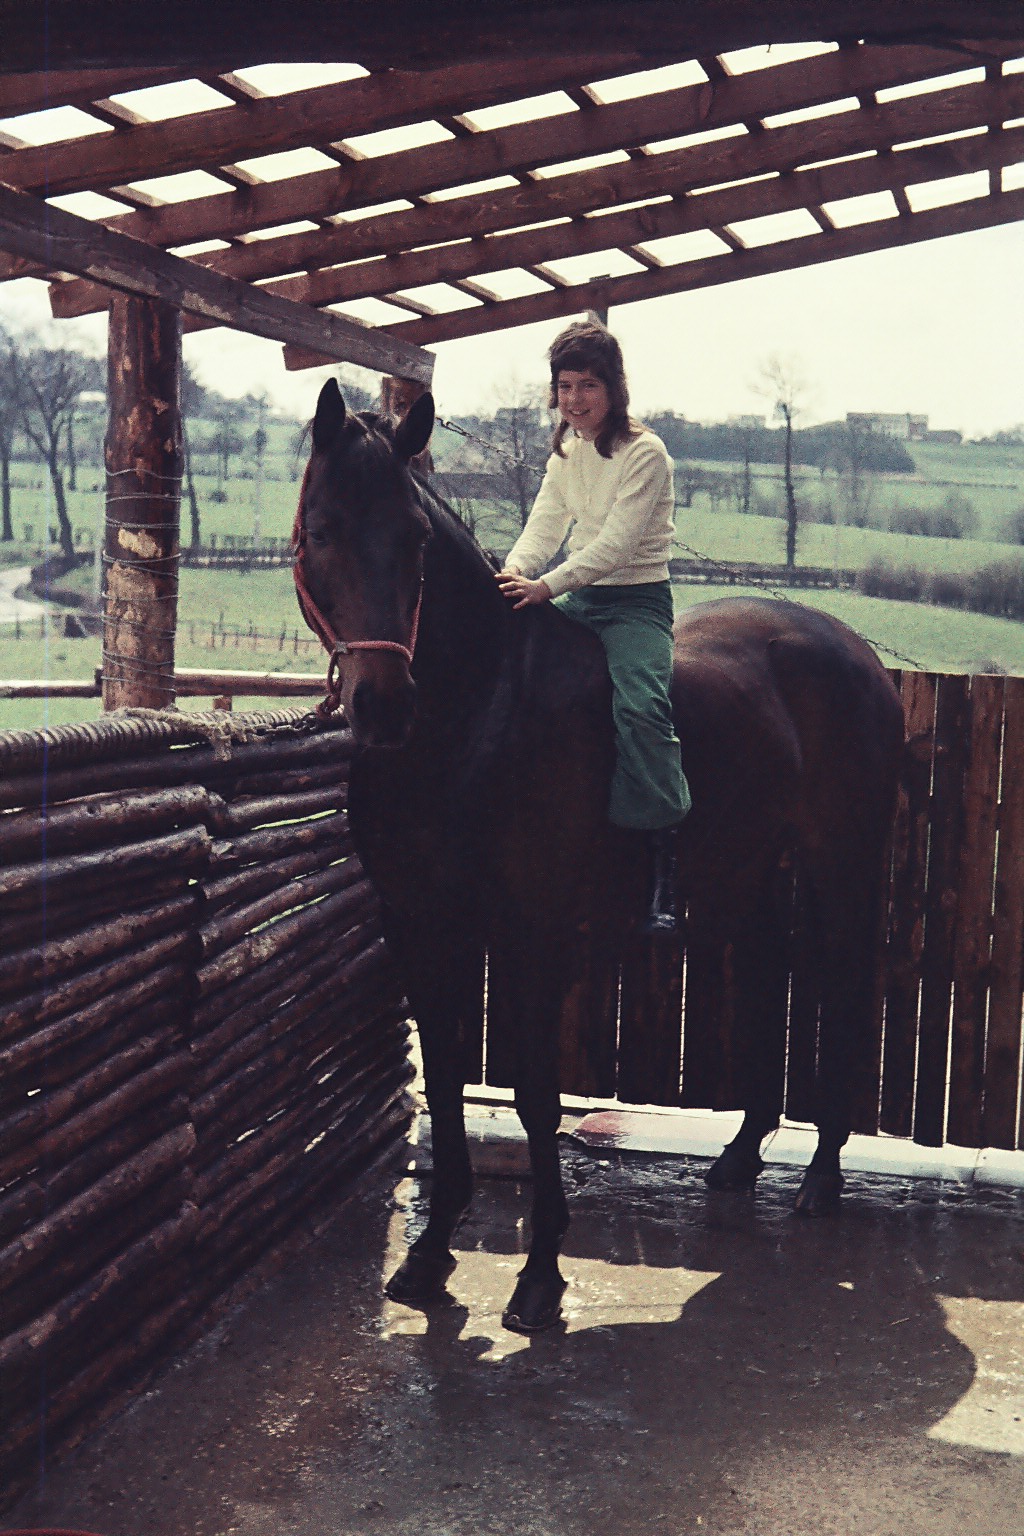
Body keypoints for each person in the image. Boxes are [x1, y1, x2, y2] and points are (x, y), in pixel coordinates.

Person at [496, 319, 691, 932]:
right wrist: (511, 574)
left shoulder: (646, 453)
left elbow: (613, 545)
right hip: (579, 596)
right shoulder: (565, 450)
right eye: (565, 386)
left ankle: (665, 865)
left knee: (641, 707)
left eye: (588, 385)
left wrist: (545, 586)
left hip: (634, 601)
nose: (575, 399)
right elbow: (546, 525)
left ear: (614, 388)